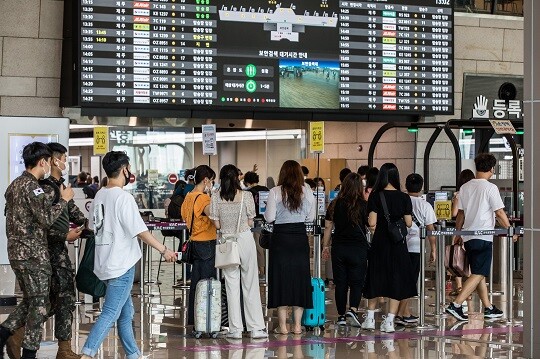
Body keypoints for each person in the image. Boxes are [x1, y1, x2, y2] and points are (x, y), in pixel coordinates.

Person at [80, 151, 176, 359]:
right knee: (110, 313)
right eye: (129, 168)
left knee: (126, 314)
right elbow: (140, 231)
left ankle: (133, 354)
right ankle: (87, 354)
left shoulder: (100, 195)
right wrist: (164, 249)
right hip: (121, 265)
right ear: (125, 170)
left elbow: (92, 225)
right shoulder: (124, 198)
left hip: (104, 263)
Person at [0, 142, 74, 359]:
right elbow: (47, 219)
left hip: (16, 254)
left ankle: (4, 332)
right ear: (43, 161)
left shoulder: (14, 185)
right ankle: (28, 353)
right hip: (34, 255)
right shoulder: (34, 187)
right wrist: (64, 200)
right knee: (40, 304)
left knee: (32, 300)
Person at [445, 153, 517, 321]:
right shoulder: (490, 188)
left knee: (479, 272)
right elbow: (499, 212)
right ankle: (456, 304)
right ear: (492, 169)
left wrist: (458, 233)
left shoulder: (465, 187)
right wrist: (510, 229)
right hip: (483, 236)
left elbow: (460, 214)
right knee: (478, 272)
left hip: (468, 237)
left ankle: (488, 307)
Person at [210, 165, 268, 340]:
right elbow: (251, 222)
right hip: (244, 239)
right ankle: (256, 328)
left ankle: (235, 329)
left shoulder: (215, 197)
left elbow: (217, 225)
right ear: (237, 178)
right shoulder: (247, 196)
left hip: (227, 242)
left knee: (231, 285)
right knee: (250, 283)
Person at [360, 163, 416, 333]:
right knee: (396, 280)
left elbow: (371, 223)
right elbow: (408, 223)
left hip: (380, 244)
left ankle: (369, 319)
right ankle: (389, 321)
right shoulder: (404, 198)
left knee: (375, 277)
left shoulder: (376, 196)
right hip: (398, 245)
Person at [264, 160, 316, 335]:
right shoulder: (307, 191)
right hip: (300, 239)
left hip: (281, 239)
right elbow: (311, 217)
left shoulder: (275, 192)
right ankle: (297, 325)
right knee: (300, 279)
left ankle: (283, 326)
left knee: (281, 279)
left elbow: (269, 218)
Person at [322, 173, 369, 327]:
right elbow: (370, 225)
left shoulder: (335, 203)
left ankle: (341, 316)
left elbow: (328, 226)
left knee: (340, 283)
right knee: (357, 282)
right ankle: (353, 310)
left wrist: (325, 246)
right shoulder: (363, 205)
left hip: (339, 248)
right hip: (358, 248)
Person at [395, 173, 437, 326]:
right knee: (410, 281)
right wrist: (433, 249)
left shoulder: (399, 201)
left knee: (400, 280)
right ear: (421, 187)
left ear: (406, 186)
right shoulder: (425, 205)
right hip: (415, 247)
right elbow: (430, 229)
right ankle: (400, 314)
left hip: (398, 245)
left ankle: (403, 312)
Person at [180, 165, 218, 327]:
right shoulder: (203, 198)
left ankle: (195, 319)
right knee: (206, 283)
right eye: (212, 181)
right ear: (206, 180)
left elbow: (183, 215)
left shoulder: (188, 196)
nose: (212, 184)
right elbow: (213, 214)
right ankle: (204, 321)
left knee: (196, 283)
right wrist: (213, 197)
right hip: (206, 243)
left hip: (194, 242)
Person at [450, 169, 475, 296]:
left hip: (460, 229)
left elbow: (455, 213)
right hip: (472, 230)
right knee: (469, 260)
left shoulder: (459, 194)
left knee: (457, 258)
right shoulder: (475, 193)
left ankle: (460, 287)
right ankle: (468, 288)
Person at [243, 171, 270, 277]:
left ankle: (262, 271)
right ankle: (266, 269)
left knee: (258, 247)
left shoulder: (248, 192)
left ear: (247, 181)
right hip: (267, 221)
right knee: (265, 246)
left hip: (254, 221)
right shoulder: (266, 190)